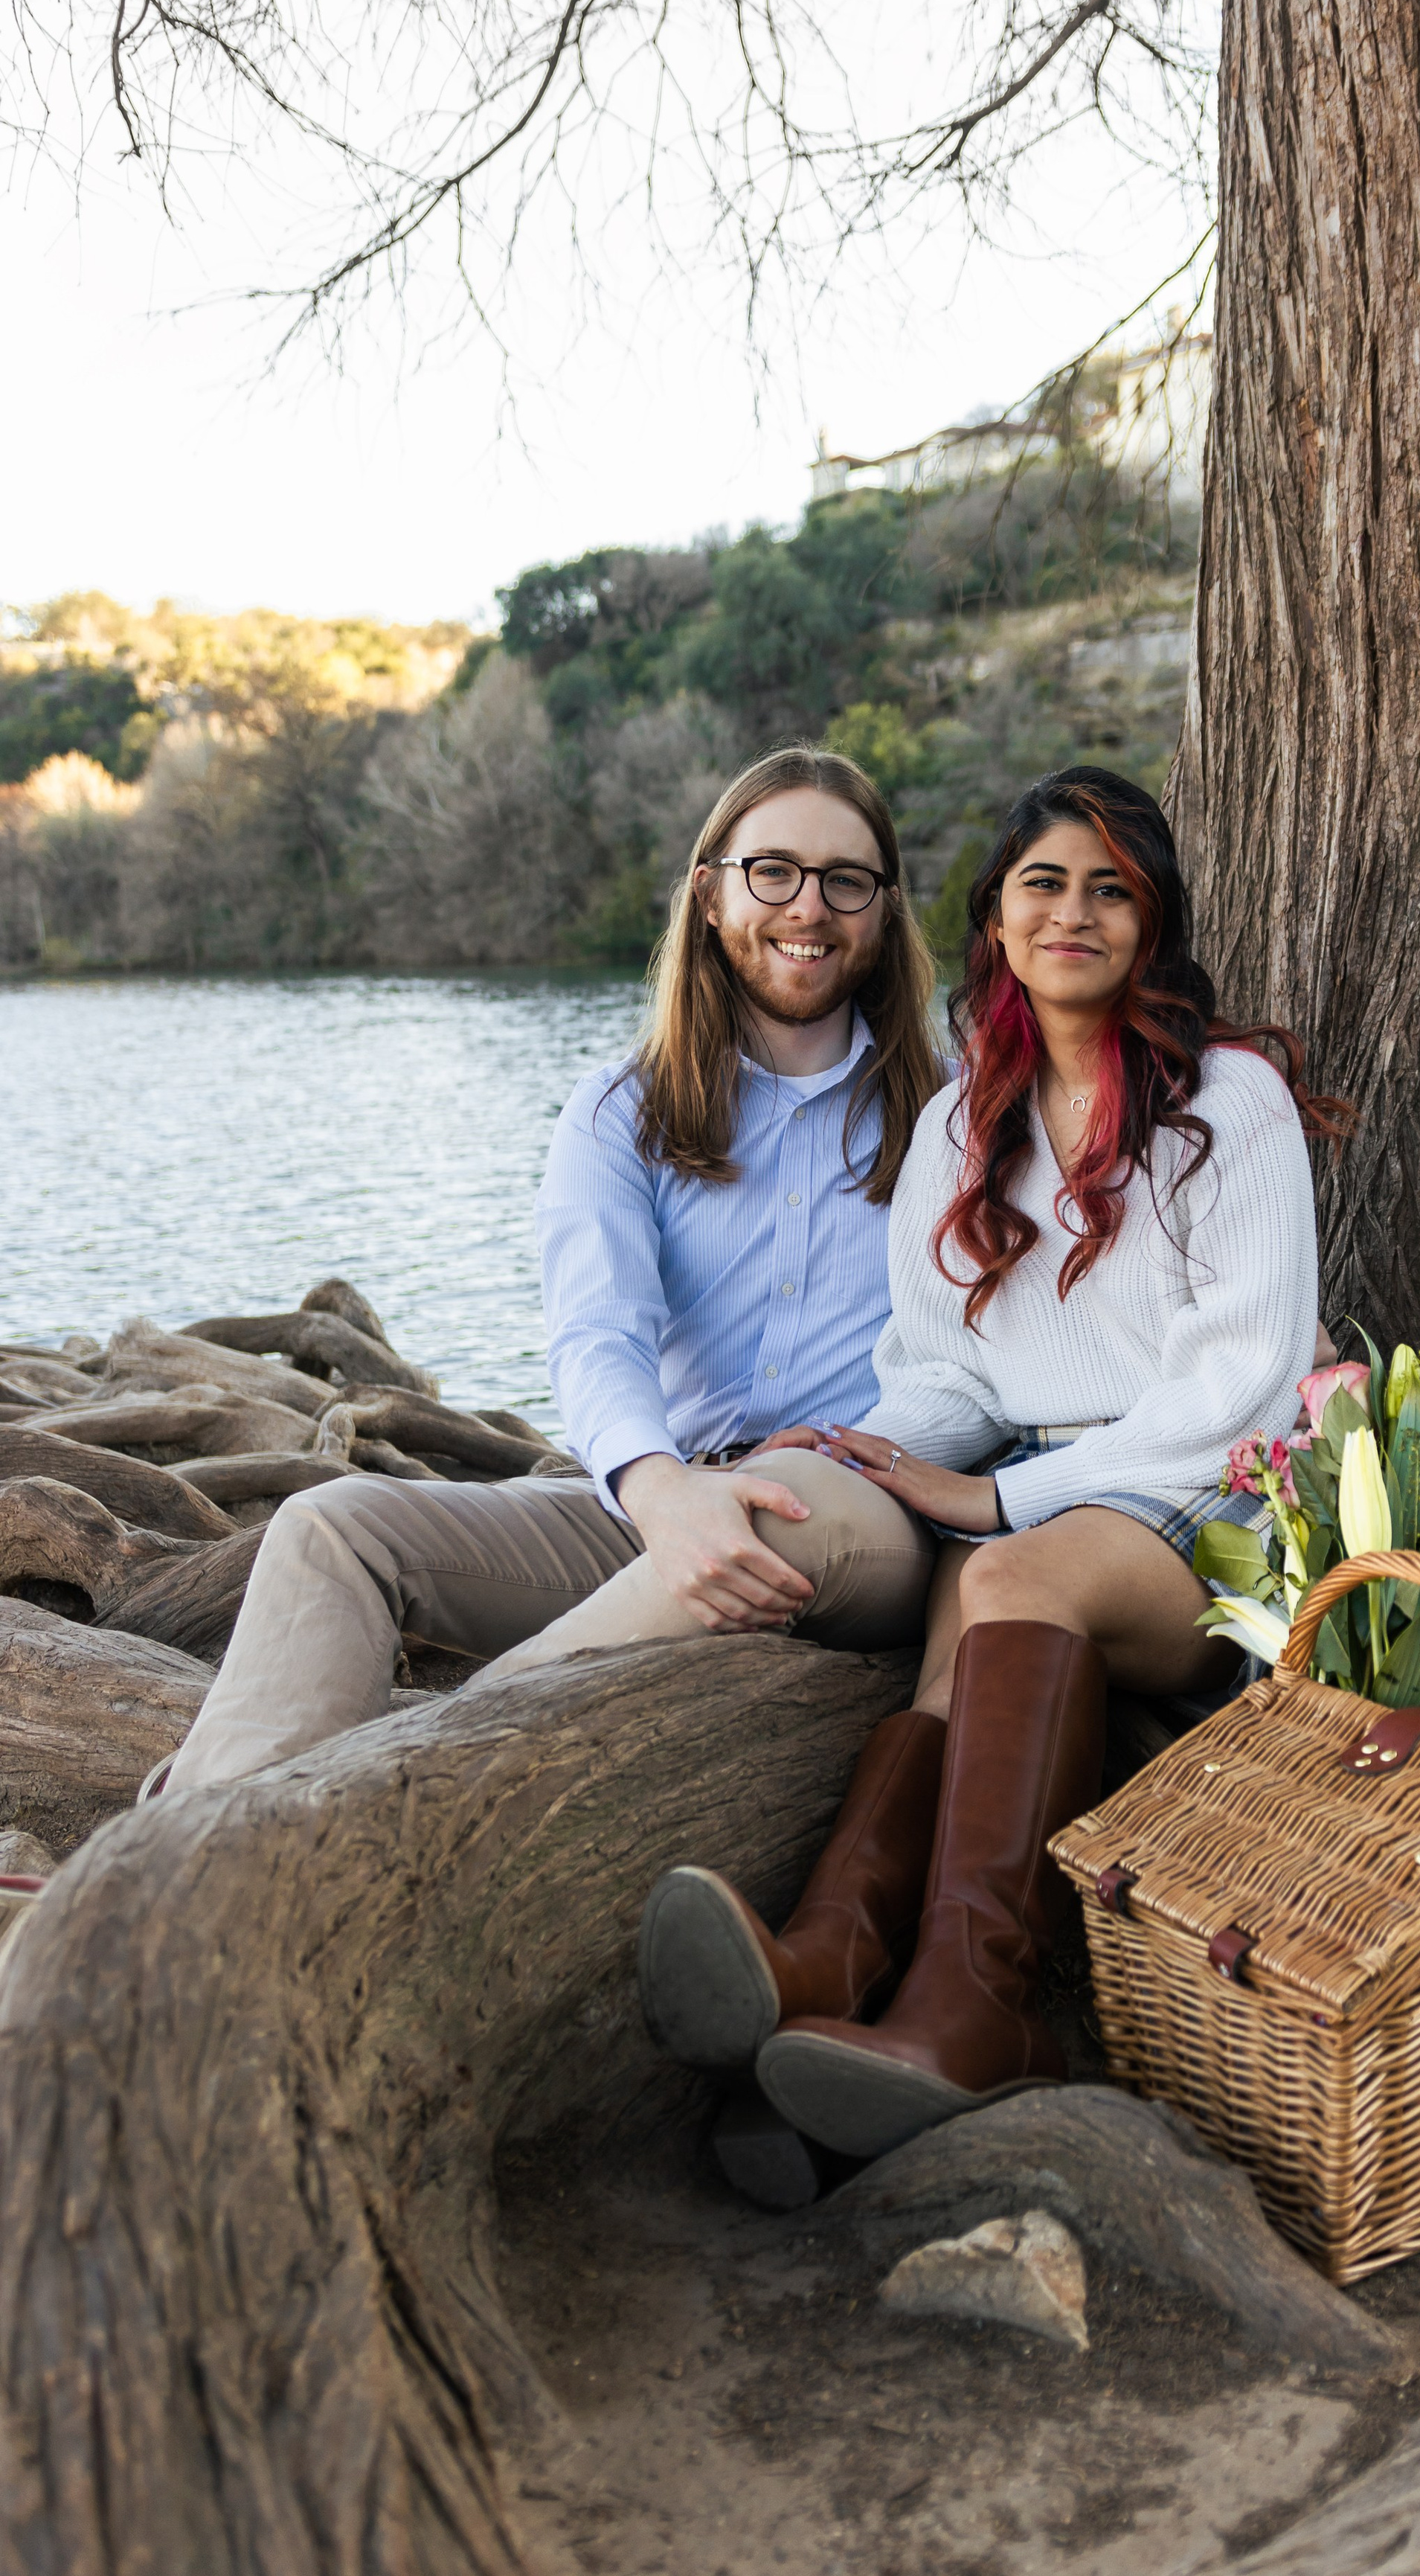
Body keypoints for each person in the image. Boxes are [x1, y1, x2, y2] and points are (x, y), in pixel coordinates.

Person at [639, 764, 1352, 2157]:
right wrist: (876, 1449)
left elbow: (1237, 1389)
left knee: (1004, 1569)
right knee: (970, 1605)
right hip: (1036, 1513)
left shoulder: (1232, 1104)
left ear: (1153, 928)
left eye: (1111, 889)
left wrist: (997, 1495)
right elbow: (951, 1371)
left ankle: (982, 2002)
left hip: (1215, 1510)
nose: (1074, 911)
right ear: (997, 922)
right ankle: (837, 1961)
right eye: (1045, 882)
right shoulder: (965, 1122)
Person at [160, 746, 946, 1794]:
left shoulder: (957, 1107)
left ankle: (408, 1768)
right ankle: (191, 1839)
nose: (810, 906)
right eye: (774, 870)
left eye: (847, 879)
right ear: (711, 895)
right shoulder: (624, 1112)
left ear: (884, 912)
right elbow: (599, 1336)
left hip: (864, 1520)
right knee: (328, 1527)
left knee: (787, 1497)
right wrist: (660, 1488)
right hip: (663, 1499)